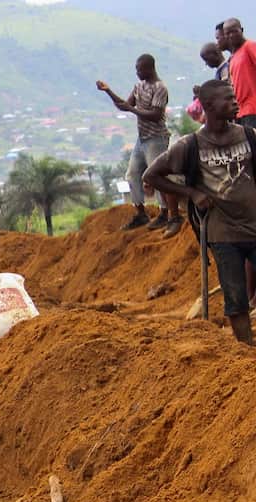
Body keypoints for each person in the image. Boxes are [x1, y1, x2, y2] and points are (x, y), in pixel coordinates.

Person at [146, 79, 256, 345]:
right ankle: (246, 353)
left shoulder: (249, 136)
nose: (234, 102)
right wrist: (192, 193)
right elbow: (152, 175)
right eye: (228, 99)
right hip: (222, 233)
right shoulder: (189, 146)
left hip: (255, 225)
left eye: (234, 97)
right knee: (235, 298)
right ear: (209, 105)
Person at [97, 55, 182, 235]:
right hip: (142, 139)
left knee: (156, 176)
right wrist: (108, 91)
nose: (137, 73)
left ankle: (165, 213)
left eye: (140, 69)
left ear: (150, 68)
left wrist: (132, 110)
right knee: (133, 174)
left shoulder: (160, 88)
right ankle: (141, 213)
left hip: (157, 138)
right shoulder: (139, 87)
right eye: (136, 69)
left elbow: (156, 115)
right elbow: (124, 105)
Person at [222, 19, 256, 129]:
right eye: (227, 33)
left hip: (253, 108)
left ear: (241, 30)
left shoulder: (249, 47)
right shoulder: (233, 57)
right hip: (241, 112)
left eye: (234, 31)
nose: (231, 36)